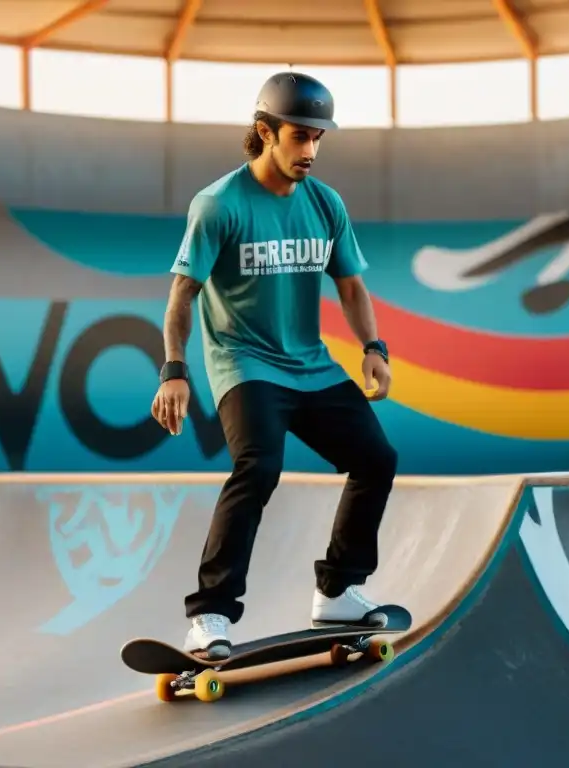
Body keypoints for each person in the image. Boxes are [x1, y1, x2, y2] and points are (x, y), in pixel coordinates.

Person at [150, 71, 400, 659]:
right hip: (244, 364)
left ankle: (337, 591)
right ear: (265, 132)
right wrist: (174, 370)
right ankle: (210, 613)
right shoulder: (219, 205)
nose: (310, 151)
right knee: (259, 466)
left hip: (310, 365)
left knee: (377, 459)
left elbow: (352, 286)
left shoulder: (324, 203)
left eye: (318, 138)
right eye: (298, 137)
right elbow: (182, 295)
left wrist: (374, 349)